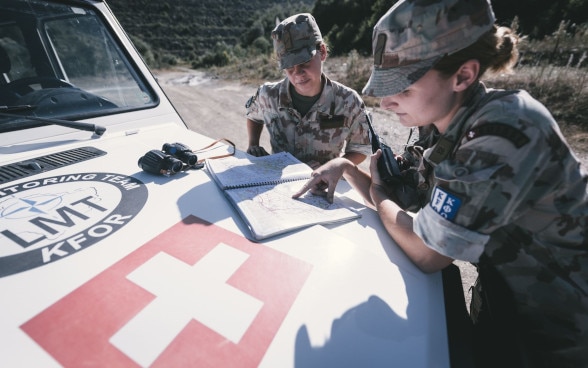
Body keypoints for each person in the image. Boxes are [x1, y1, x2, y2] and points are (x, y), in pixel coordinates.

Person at [293, 0, 588, 367]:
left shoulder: (504, 130)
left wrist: (380, 193)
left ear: (463, 75)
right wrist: (348, 169)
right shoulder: (443, 127)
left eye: (403, 87)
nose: (385, 102)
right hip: (507, 302)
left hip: (560, 331)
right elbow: (406, 207)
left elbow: (427, 250)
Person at [245, 13, 371, 169]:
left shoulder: (348, 101)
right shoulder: (268, 95)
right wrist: (253, 145)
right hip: (279, 184)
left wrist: (331, 169)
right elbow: (254, 116)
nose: (297, 73)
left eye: (304, 61)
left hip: (322, 187)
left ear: (322, 51)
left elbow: (360, 149)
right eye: (289, 66)